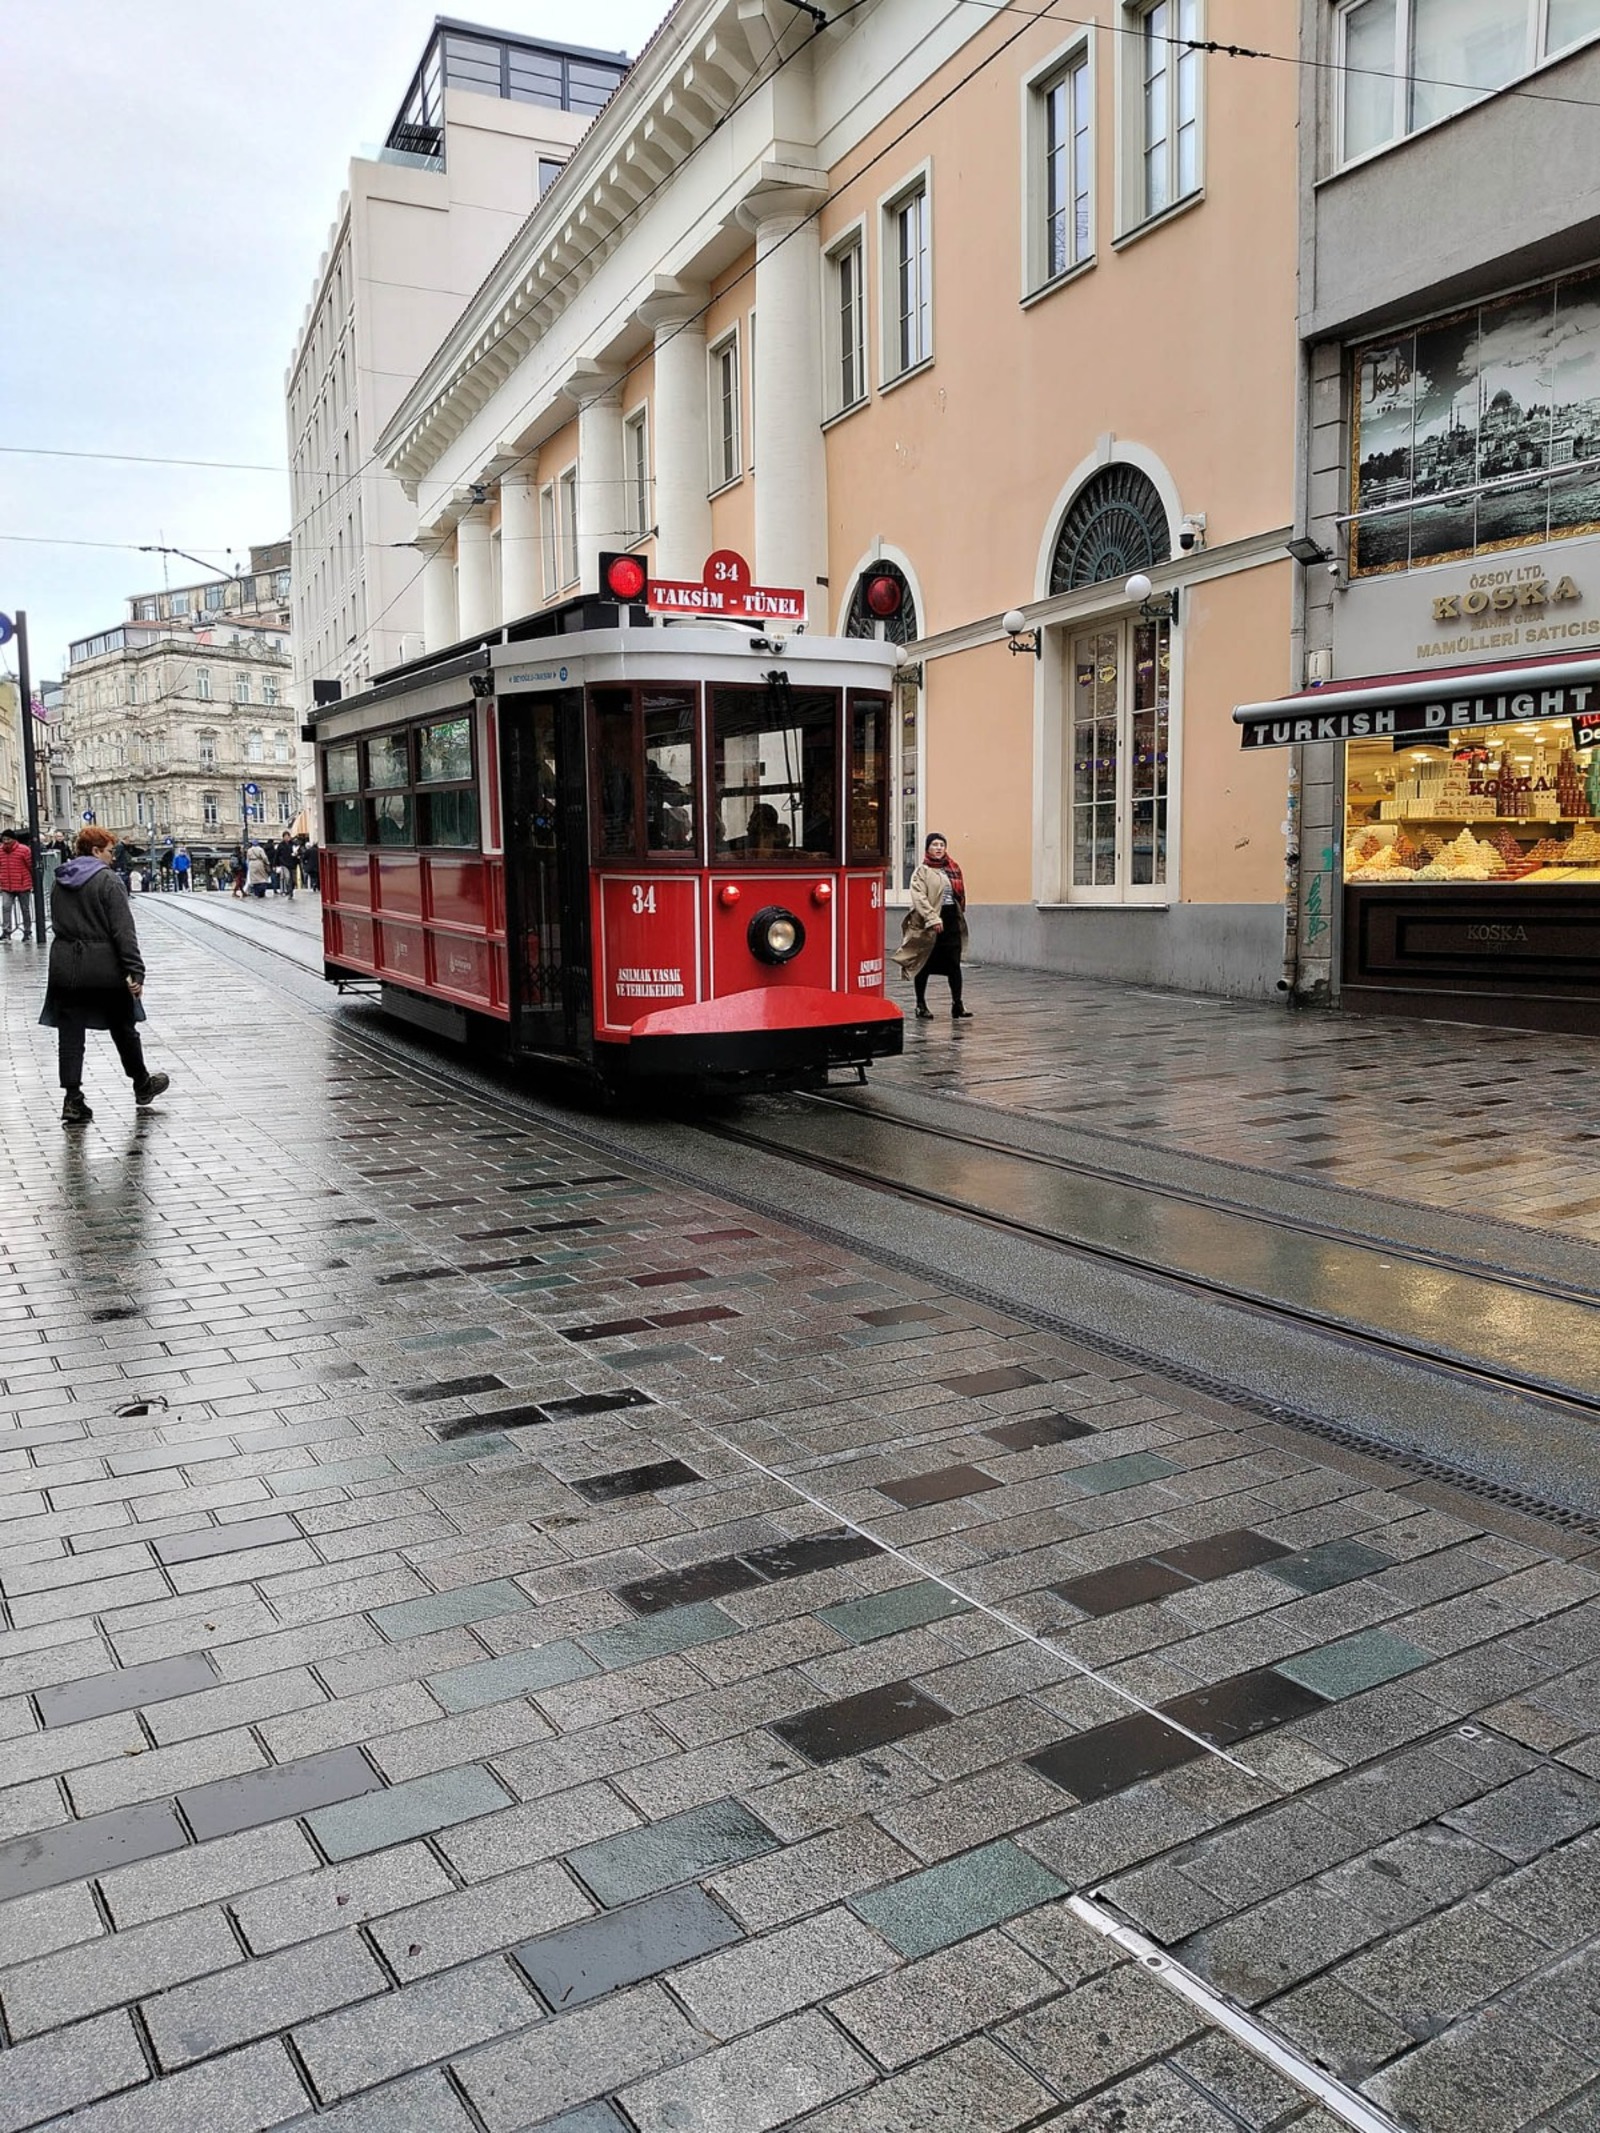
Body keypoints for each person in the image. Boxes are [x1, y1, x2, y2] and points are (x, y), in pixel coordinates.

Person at [39, 826, 169, 1125]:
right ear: (96, 851)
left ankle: (72, 1099)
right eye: (110, 851)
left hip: (65, 965)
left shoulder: (59, 879)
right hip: (103, 965)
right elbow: (123, 930)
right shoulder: (107, 880)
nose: (113, 858)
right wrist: (135, 970)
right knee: (123, 1026)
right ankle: (141, 1084)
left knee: (70, 1033)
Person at [892, 830, 972, 1020]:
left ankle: (957, 1004)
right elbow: (919, 897)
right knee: (924, 964)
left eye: (941, 845)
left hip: (951, 920)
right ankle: (920, 1005)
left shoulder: (952, 868)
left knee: (954, 964)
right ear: (928, 848)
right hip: (931, 922)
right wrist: (932, 918)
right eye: (935, 845)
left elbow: (957, 894)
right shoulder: (922, 871)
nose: (939, 848)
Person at [0, 828, 35, 943]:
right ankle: (6, 931)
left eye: (8, 839)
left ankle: (27, 931)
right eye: (4, 839)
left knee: (25, 909)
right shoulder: (0, 851)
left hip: (22, 884)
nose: (5, 841)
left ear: (13, 839)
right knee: (5, 907)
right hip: (6, 885)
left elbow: (30, 866)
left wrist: (33, 881)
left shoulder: (24, 850)